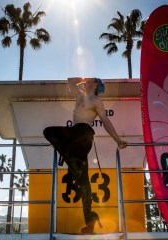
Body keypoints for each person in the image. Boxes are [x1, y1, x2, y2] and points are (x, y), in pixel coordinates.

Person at [43, 77, 127, 233]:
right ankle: (90, 220)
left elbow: (106, 121)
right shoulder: (80, 95)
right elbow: (69, 81)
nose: (86, 81)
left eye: (90, 80)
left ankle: (71, 163)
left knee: (53, 134)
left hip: (83, 134)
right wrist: (84, 79)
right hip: (73, 136)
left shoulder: (96, 101)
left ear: (95, 85)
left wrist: (118, 140)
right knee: (83, 181)